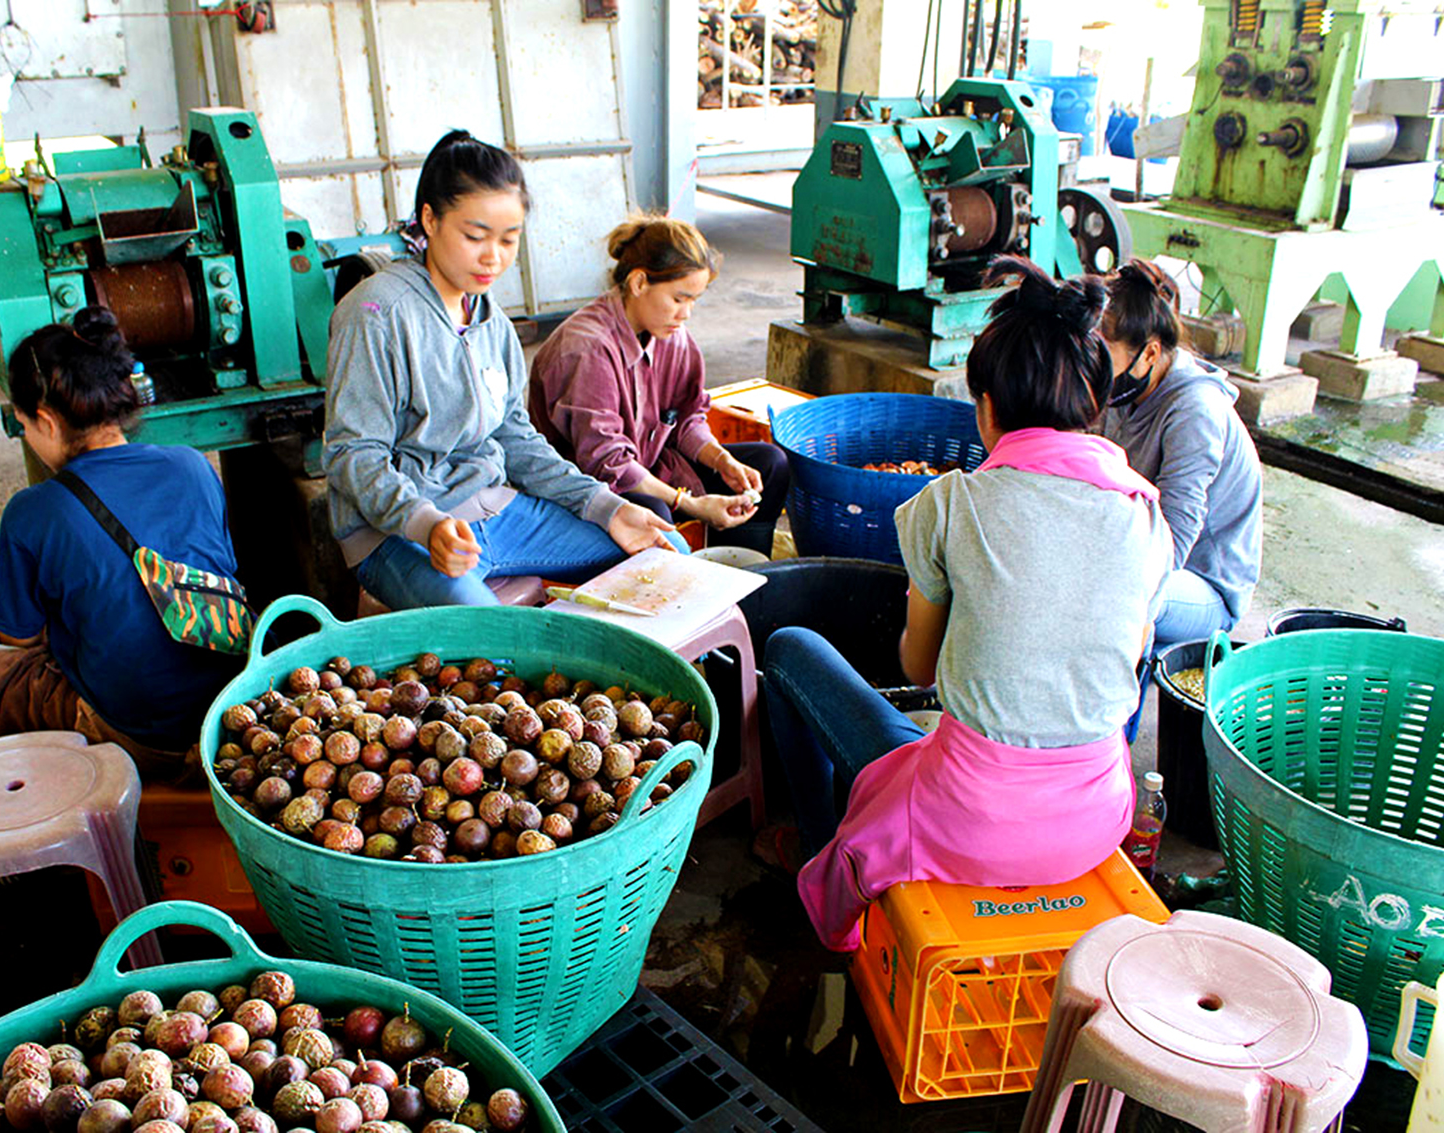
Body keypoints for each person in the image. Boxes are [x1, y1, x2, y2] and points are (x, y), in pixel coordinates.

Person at [765, 258, 1173, 952]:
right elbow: (1122, 658)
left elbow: (919, 667)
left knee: (788, 649)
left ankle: (812, 841)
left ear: (984, 406)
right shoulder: (1145, 513)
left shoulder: (950, 503)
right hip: (1097, 813)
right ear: (1090, 404)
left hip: (971, 817)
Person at [324, 132, 680, 611]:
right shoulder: (375, 314)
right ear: (429, 219)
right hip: (397, 532)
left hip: (494, 510)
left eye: (508, 239)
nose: (494, 256)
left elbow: (516, 439)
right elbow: (354, 455)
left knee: (665, 560)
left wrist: (605, 506)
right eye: (475, 237)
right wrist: (425, 524)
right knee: (494, 653)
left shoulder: (491, 321)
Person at [0, 307, 244, 777]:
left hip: (137, 736)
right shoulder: (193, 465)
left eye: (23, 425)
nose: (27, 434)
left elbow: (19, 641)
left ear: (47, 420)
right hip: (231, 717)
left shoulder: (33, 511)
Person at [529, 215, 789, 555]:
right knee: (655, 514)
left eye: (694, 300)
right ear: (638, 283)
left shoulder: (672, 337)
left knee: (770, 464)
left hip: (651, 466)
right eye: (679, 299)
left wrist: (722, 460)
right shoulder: (586, 349)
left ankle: (734, 577)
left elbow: (687, 417)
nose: (686, 314)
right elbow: (610, 465)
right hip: (589, 488)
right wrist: (692, 504)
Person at [1097, 260, 1262, 648]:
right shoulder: (1129, 386)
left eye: (1107, 359)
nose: (1097, 371)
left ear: (1151, 353)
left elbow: (1171, 548)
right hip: (1132, 546)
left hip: (1203, 586)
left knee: (1103, 587)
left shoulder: (1195, 411)